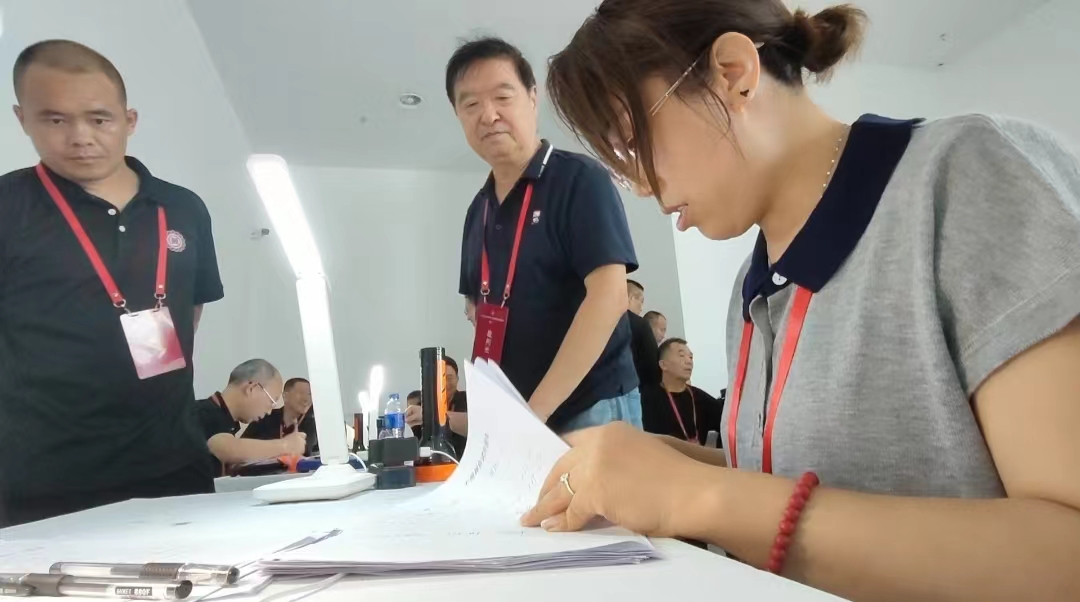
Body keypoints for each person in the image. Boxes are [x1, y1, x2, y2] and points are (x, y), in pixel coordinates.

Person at [522, 1, 1080, 600]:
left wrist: (697, 494)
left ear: (733, 72)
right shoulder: (752, 286)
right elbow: (801, 481)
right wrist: (662, 463)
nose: (638, 185)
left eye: (634, 143)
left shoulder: (964, 175)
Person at [0, 40, 225, 527]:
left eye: (99, 119)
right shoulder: (8, 207)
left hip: (174, 467)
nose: (80, 137)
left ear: (129, 120)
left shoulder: (183, 208)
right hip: (44, 481)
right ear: (23, 119)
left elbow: (190, 313)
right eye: (55, 120)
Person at [449, 37, 641, 433]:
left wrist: (535, 414)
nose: (488, 115)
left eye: (503, 97)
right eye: (471, 104)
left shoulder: (580, 180)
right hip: (519, 418)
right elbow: (480, 313)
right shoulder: (477, 210)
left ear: (532, 98)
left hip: (591, 409)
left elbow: (609, 298)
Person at [195, 359, 302, 477]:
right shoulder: (204, 413)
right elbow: (225, 448)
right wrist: (286, 445)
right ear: (252, 389)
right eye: (272, 401)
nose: (269, 411)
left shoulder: (225, 420)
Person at [641, 339, 722, 445]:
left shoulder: (700, 397)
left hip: (695, 455)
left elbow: (729, 424)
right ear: (663, 365)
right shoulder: (646, 399)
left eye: (691, 357)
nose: (689, 361)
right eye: (681, 355)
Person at [405, 357, 469, 458]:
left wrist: (429, 414)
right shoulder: (423, 404)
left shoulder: (468, 400)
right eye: (440, 378)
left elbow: (473, 425)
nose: (445, 383)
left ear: (457, 379)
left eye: (449, 378)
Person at [241, 377, 318, 456]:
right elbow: (242, 447)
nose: (306, 399)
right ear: (285, 396)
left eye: (309, 394)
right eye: (301, 393)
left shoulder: (315, 424)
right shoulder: (264, 417)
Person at [626, 280, 660, 389]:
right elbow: (651, 363)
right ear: (632, 298)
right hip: (635, 388)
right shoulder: (640, 324)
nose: (641, 307)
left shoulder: (600, 322)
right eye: (641, 301)